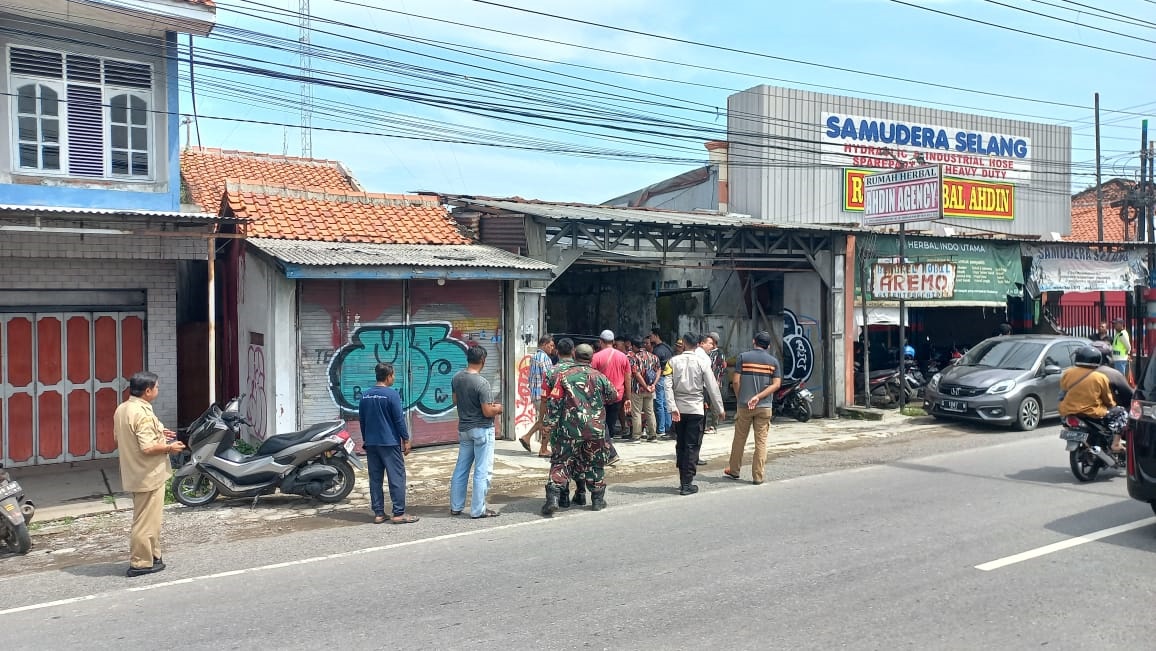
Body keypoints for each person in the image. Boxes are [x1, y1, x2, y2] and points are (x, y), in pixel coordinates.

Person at [113, 371, 185, 577]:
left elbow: (121, 436)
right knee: (145, 522)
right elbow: (146, 448)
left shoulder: (124, 408)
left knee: (150, 519)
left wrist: (160, 433)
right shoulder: (142, 413)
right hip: (148, 474)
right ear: (147, 391)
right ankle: (140, 563)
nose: (158, 390)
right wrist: (169, 448)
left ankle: (153, 555)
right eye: (157, 387)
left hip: (135, 472)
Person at [540, 344, 618, 516]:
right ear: (591, 358)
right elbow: (614, 396)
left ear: (574, 355)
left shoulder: (563, 376)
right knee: (595, 463)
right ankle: (597, 500)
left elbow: (555, 402)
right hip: (595, 429)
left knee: (561, 461)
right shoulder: (600, 376)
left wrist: (548, 424)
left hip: (569, 430)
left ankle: (553, 498)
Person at [663, 333, 725, 495]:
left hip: (679, 410)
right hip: (696, 409)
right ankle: (687, 482)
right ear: (697, 344)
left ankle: (683, 479)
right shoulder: (703, 361)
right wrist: (719, 409)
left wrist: (672, 407)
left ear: (683, 344)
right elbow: (712, 387)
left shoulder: (672, 362)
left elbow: (667, 387)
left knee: (681, 444)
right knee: (692, 446)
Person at [358, 362, 416, 525]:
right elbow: (399, 420)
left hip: (371, 443)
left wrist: (366, 439)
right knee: (396, 477)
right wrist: (406, 439)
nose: (394, 378)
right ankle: (398, 513)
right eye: (393, 375)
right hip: (389, 443)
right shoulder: (392, 395)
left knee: (375, 479)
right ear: (388, 376)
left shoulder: (365, 396)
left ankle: (378, 513)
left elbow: (362, 421)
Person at [450, 346, 503, 519]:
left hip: (464, 429)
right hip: (482, 429)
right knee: (482, 470)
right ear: (483, 360)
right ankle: (478, 509)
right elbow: (487, 412)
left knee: (461, 468)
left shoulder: (457, 378)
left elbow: (455, 400)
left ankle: (456, 506)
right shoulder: (482, 383)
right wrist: (498, 408)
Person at [725, 332, 782, 485]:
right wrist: (759, 397)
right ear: (768, 346)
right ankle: (758, 476)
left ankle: (734, 470)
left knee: (739, 439)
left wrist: (740, 398)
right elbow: (776, 384)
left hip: (744, 406)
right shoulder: (773, 362)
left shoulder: (743, 357)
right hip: (764, 407)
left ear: (753, 341)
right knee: (761, 442)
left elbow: (736, 381)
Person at [1059, 346, 1127, 452]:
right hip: (1092, 413)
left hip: (1067, 411)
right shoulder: (1100, 377)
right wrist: (1112, 406)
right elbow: (1108, 399)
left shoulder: (1067, 373)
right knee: (1122, 413)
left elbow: (1064, 390)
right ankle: (1116, 444)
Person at [592, 329, 632, 440]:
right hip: (617, 395)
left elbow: (591, 377)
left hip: (600, 396)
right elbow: (628, 378)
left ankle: (604, 445)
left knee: (600, 422)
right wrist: (628, 397)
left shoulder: (596, 357)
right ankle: (609, 443)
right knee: (611, 422)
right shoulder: (623, 357)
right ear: (613, 341)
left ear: (600, 341)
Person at [519, 334, 555, 457]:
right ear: (544, 345)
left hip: (536, 395)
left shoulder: (534, 357)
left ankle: (527, 437)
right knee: (548, 422)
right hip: (543, 396)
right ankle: (543, 449)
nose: (552, 348)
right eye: (551, 345)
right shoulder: (544, 358)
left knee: (542, 420)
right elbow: (549, 377)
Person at [629, 336, 659, 442]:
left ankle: (637, 436)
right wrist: (653, 384)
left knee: (636, 412)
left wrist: (644, 386)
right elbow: (658, 370)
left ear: (634, 346)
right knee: (650, 412)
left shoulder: (634, 358)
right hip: (651, 389)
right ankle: (653, 435)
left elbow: (636, 373)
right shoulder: (653, 357)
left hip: (638, 389)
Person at [1090, 341, 1134, 408]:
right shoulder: (1113, 374)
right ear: (1108, 358)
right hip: (1105, 411)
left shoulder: (1072, 372)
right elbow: (1129, 395)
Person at [649, 329, 675, 440]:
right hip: (668, 377)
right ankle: (667, 427)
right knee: (666, 403)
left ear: (656, 336)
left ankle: (661, 428)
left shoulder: (657, 351)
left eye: (651, 336)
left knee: (659, 403)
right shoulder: (668, 348)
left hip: (660, 378)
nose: (650, 338)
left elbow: (654, 367)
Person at [702, 332, 727, 434]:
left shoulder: (719, 354)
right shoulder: (705, 353)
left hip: (714, 382)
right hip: (705, 383)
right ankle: (704, 425)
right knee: (705, 404)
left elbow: (722, 368)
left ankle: (713, 426)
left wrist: (717, 380)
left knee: (713, 405)